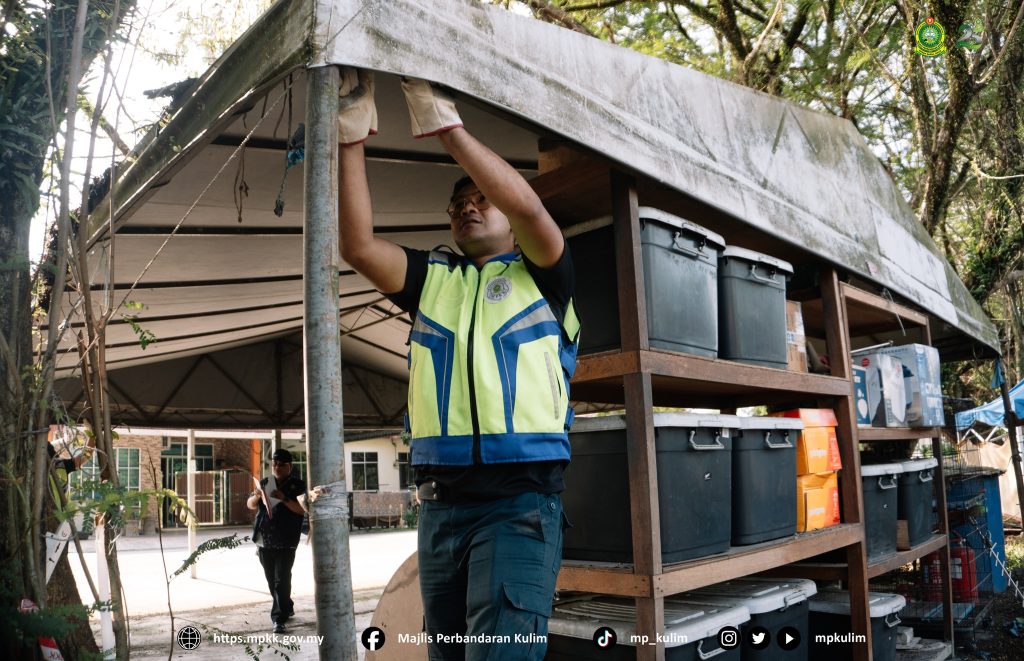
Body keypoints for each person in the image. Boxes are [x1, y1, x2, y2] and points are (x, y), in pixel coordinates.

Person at [337, 69, 581, 661]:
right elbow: (358, 247)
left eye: (481, 201)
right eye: (457, 206)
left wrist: (445, 127)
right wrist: (350, 138)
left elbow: (529, 208)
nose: (467, 209)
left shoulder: (544, 274)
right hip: (439, 509)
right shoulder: (434, 280)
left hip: (518, 506)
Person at [247, 448, 307, 634]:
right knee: (271, 579)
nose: (277, 467)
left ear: (290, 466)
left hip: (287, 540)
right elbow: (250, 505)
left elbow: (302, 509)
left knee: (281, 579)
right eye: (274, 464)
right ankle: (287, 605)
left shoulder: (298, 485)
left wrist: (284, 499)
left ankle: (278, 619)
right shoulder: (266, 482)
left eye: (281, 465)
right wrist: (257, 495)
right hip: (264, 539)